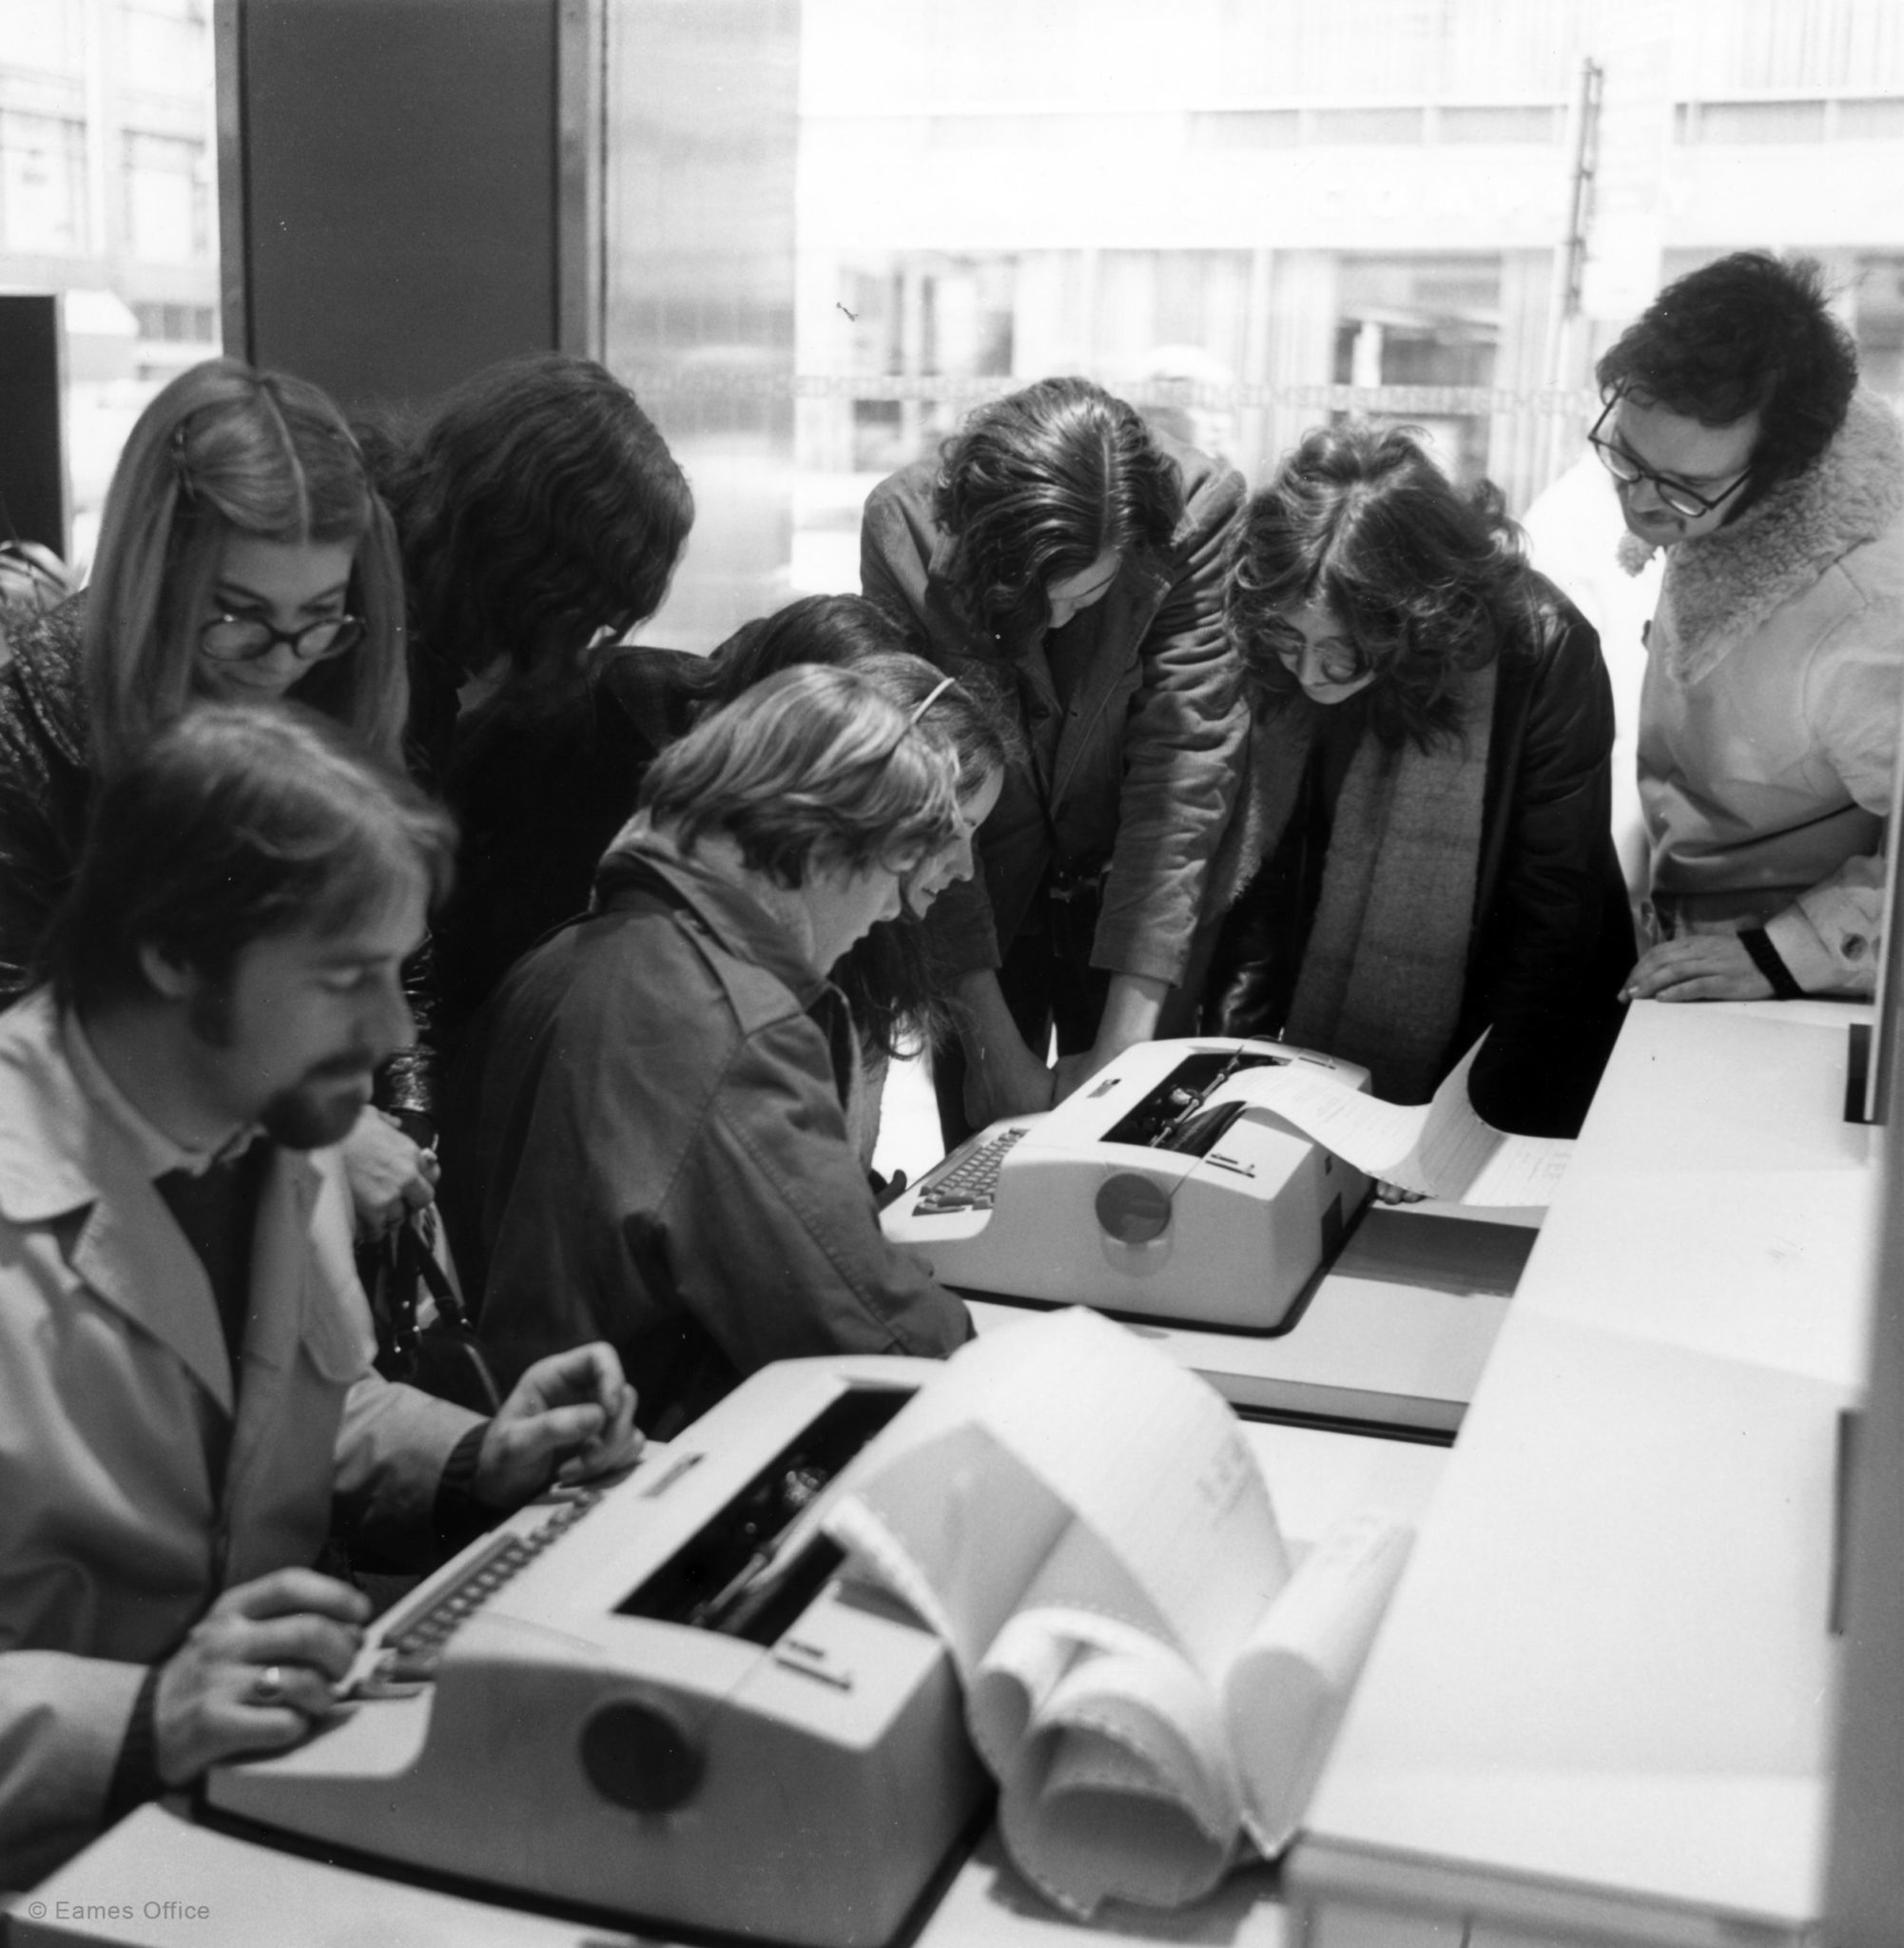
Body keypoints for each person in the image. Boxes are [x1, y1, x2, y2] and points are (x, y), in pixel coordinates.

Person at [0, 705, 641, 1888]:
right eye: (346, 977)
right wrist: (141, 1717)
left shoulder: (265, 1120)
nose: (395, 1030)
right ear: (170, 952)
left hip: (263, 1789)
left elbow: (284, 1415)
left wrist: (477, 1458)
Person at [439, 664, 976, 1435]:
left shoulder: (567, 957)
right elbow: (876, 1340)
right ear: (823, 846)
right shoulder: (733, 1028)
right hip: (648, 1472)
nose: (893, 908)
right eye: (896, 868)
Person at [0, 356, 434, 1237]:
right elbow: (28, 1061)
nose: (283, 659)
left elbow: (396, 973)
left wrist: (405, 1127)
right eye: (236, 615)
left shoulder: (335, 685)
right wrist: (311, 1133)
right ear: (151, 580)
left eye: (321, 614)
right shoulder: (24, 731)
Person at [1190, 424, 1632, 1139]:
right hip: (1327, 1061)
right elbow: (1266, 878)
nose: (1307, 673)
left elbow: (1551, 914)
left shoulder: (1543, 646)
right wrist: (1231, 1070)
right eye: (1290, 639)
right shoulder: (1283, 645)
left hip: (1514, 1051)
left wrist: (1455, 1116)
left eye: (1341, 651)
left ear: (1412, 615)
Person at [861, 376, 1247, 1139]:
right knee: (983, 1157)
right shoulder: (903, 526)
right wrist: (988, 1043)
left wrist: (1125, 1047)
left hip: (1133, 901)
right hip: (974, 895)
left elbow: (1182, 772)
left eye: (1083, 596)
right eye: (1038, 602)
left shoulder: (1200, 512)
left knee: (1138, 1162)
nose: (1060, 619)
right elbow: (929, 789)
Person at [1591, 253, 1904, 1003]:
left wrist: (1784, 956)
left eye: (1685, 490)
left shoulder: (1866, 608)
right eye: (1625, 457)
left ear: (1784, 472)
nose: (1639, 506)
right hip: (1682, 933)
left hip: (1786, 987)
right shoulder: (1704, 488)